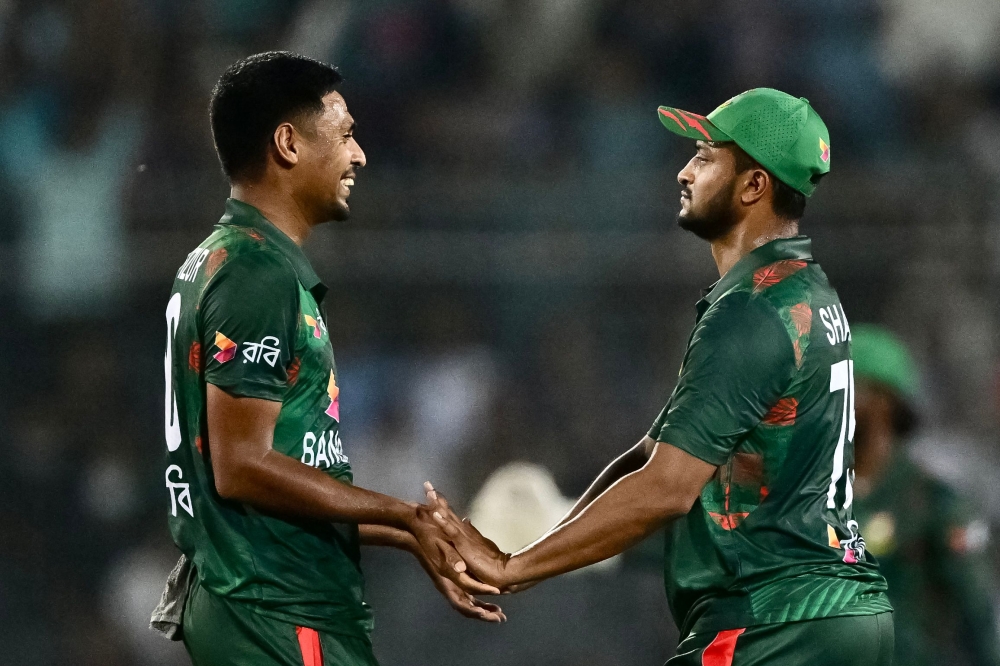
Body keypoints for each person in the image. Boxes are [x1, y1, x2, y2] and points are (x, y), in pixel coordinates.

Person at [429, 88, 894, 665]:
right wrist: (538, 548)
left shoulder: (751, 310)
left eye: (704, 157)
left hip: (772, 621)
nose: (683, 172)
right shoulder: (804, 292)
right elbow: (650, 454)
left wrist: (513, 566)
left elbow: (668, 488)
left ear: (754, 185)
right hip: (841, 614)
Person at [155, 52, 503, 666]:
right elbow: (241, 465)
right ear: (287, 144)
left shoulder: (228, 261)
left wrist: (411, 534)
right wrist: (401, 511)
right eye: (344, 134)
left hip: (270, 602)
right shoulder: (255, 274)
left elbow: (278, 480)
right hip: (278, 607)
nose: (360, 154)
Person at [851, 325, 1000, 666]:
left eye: (849, 389)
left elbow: (975, 612)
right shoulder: (808, 501)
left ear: (885, 401)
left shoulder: (934, 504)